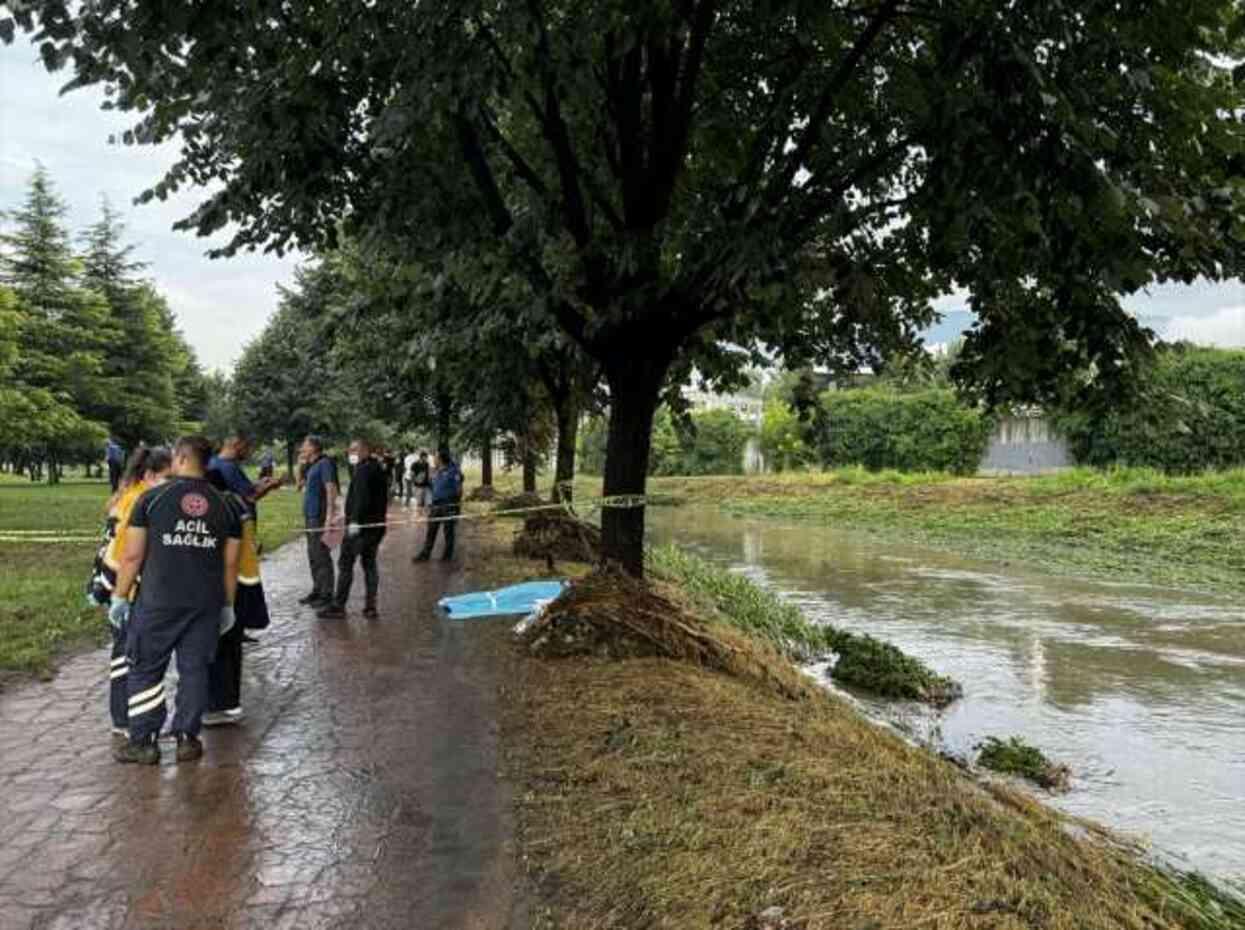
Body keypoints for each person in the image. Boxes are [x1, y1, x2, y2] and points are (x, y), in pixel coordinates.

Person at [111, 435, 243, 765]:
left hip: (158, 601)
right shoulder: (227, 505)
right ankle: (187, 737)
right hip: (205, 603)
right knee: (194, 669)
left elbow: (132, 555)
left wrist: (119, 597)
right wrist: (227, 604)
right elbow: (230, 562)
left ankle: (143, 741)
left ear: (180, 458)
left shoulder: (152, 500)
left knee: (145, 668)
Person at [87, 446, 173, 740]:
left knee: (125, 652)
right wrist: (123, 596)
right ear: (149, 475)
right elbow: (130, 554)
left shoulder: (129, 493)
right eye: (167, 476)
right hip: (123, 585)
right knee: (127, 655)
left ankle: (126, 717)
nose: (173, 483)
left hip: (113, 580)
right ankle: (124, 720)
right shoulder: (139, 500)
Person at [202, 466, 270, 727]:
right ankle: (230, 703)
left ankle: (218, 705)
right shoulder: (238, 503)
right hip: (246, 582)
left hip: (229, 585)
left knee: (218, 648)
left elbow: (226, 557)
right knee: (232, 648)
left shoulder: (221, 508)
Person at [318, 438, 388, 620]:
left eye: (353, 451)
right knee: (369, 565)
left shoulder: (364, 470)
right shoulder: (376, 467)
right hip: (376, 528)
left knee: (345, 564)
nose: (350, 454)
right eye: (349, 451)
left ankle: (338, 606)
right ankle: (371, 607)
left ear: (364, 450)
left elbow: (362, 498)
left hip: (361, 529)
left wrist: (355, 521)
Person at [299, 435, 339, 608]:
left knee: (321, 554)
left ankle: (326, 594)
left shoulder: (325, 463)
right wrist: (300, 464)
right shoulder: (312, 465)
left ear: (314, 447)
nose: (302, 448)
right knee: (312, 554)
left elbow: (331, 489)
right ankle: (317, 590)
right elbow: (299, 486)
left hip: (320, 515)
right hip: (310, 515)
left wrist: (330, 516)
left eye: (305, 445)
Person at [208, 434, 283, 513]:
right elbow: (250, 497)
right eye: (247, 448)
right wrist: (270, 485)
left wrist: (260, 482)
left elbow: (239, 488)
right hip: (236, 518)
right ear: (238, 445)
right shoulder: (228, 467)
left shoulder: (214, 461)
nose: (249, 452)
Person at [413, 448, 463, 562]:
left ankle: (447, 556)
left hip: (448, 504)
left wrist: (455, 506)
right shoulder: (436, 471)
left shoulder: (454, 471)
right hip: (436, 504)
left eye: (435, 457)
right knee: (431, 529)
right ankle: (425, 554)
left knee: (448, 530)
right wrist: (423, 482)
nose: (433, 459)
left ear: (440, 459)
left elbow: (459, 490)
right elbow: (433, 486)